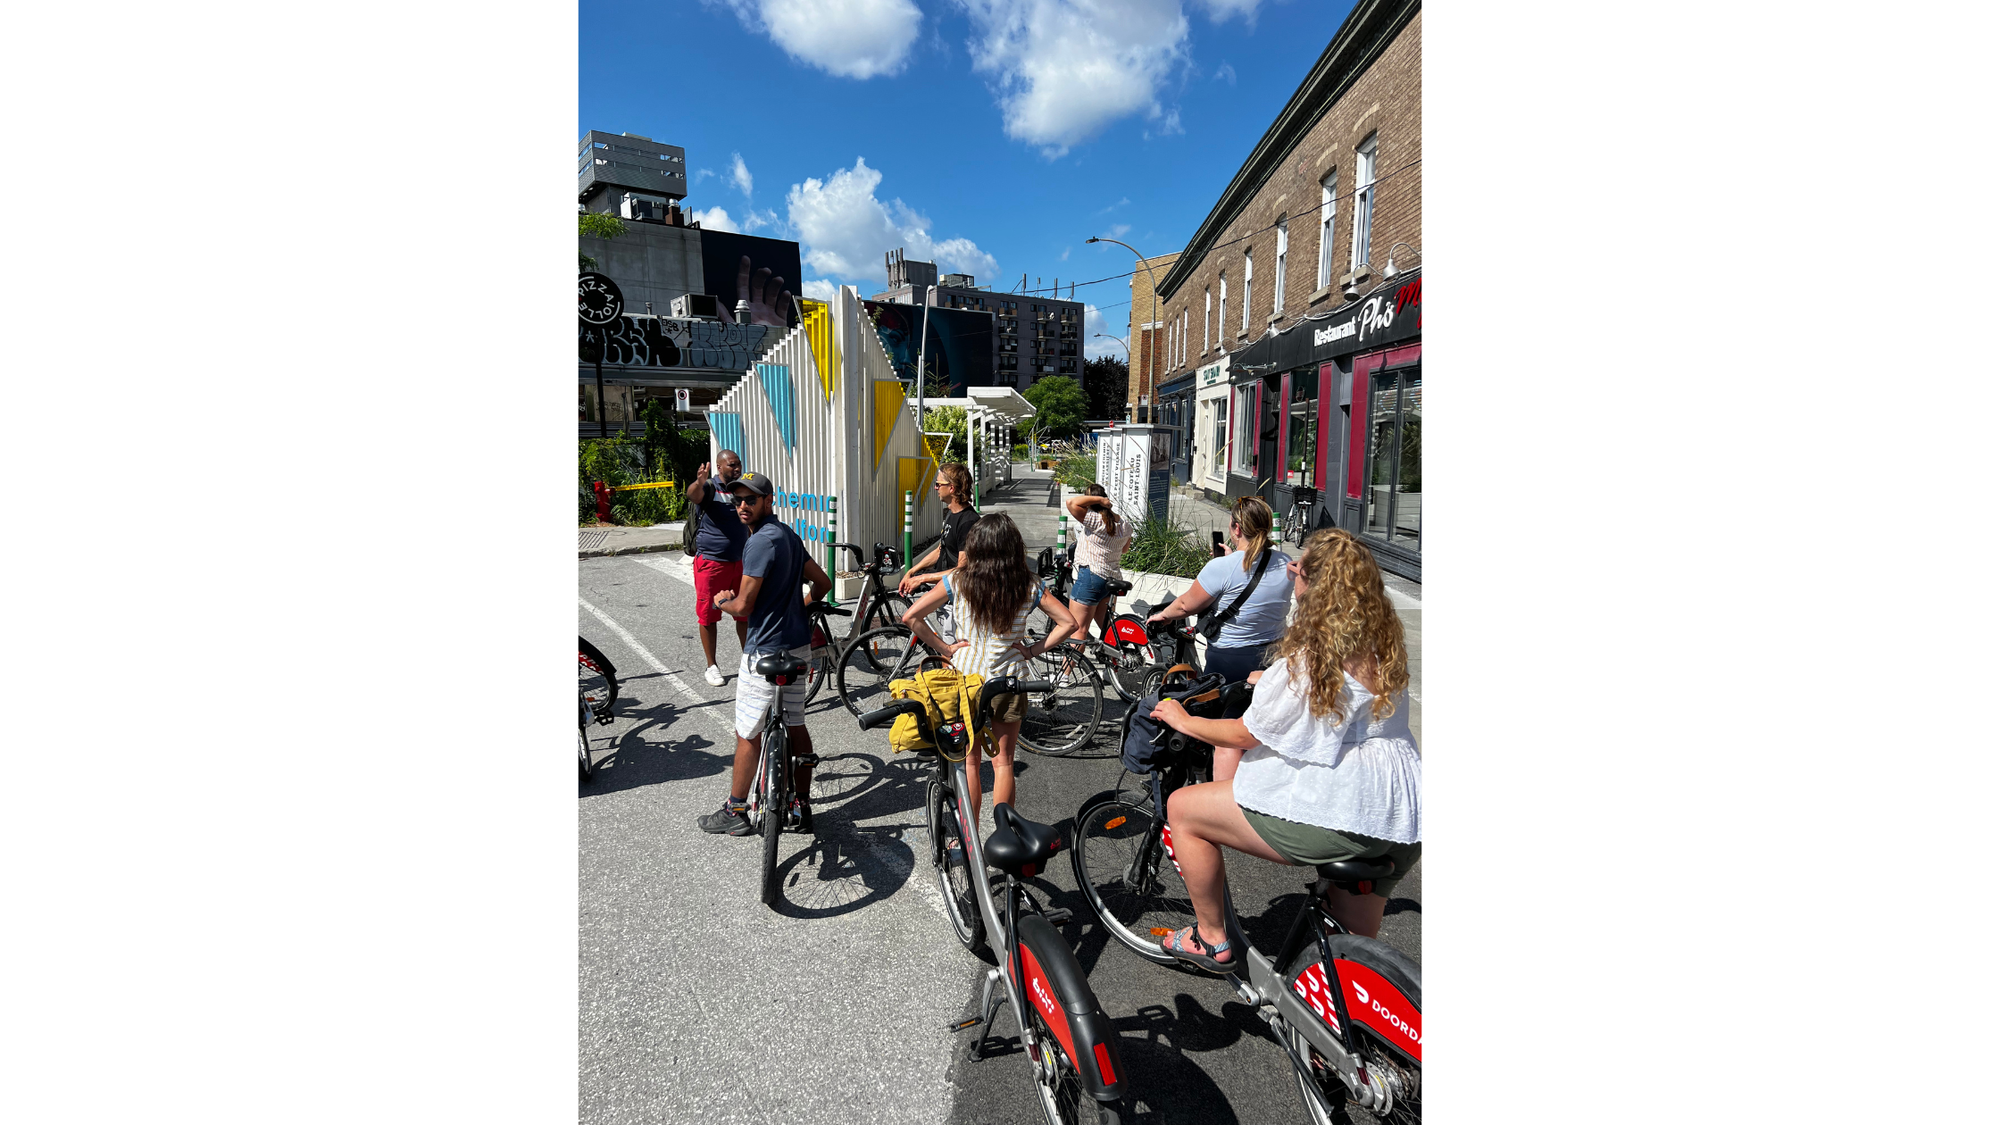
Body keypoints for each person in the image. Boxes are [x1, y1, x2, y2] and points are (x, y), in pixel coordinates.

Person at [1148, 528, 1420, 973]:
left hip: (1345, 812)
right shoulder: (1381, 645)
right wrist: (1268, 682)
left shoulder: (1312, 657)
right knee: (1354, 960)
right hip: (1399, 815)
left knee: (1183, 808)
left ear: (1315, 586)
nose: (1291, 571)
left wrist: (1182, 719)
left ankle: (1210, 938)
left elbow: (1244, 734)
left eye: (1300, 568)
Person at [902, 513, 1076, 831]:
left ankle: (969, 839)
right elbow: (1069, 623)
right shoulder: (1028, 584)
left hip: (966, 680)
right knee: (1003, 762)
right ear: (1013, 546)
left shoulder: (958, 580)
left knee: (970, 762)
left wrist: (945, 648)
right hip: (1009, 679)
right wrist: (1033, 650)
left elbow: (911, 617)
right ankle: (1004, 835)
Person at [696, 472, 834, 837]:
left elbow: (744, 606)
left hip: (765, 650)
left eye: (751, 500)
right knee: (795, 722)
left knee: (748, 731)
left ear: (768, 501)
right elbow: (823, 583)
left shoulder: (758, 543)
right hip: (798, 645)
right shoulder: (788, 534)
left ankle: (735, 809)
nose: (743, 506)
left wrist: (722, 602)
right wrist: (801, 607)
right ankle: (801, 805)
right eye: (737, 499)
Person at [1146, 497, 1295, 759]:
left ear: (1236, 528)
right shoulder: (1285, 562)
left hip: (1229, 659)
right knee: (1261, 727)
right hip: (1273, 657)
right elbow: (1255, 579)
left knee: (1224, 733)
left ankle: (1222, 782)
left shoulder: (1221, 567)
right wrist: (1233, 560)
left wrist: (1164, 616)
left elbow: (1185, 605)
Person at [685, 449, 750, 687]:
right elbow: (693, 495)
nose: (737, 468)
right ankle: (711, 666)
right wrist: (698, 482)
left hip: (740, 562)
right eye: (732, 465)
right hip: (712, 563)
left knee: (744, 612)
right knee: (708, 615)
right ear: (720, 467)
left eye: (738, 464)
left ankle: (749, 660)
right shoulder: (710, 487)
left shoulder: (741, 488)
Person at [897, 461, 979, 641]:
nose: (935, 488)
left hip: (959, 599)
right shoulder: (951, 513)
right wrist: (912, 571)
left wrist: (922, 578)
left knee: (951, 650)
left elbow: (962, 569)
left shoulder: (968, 522)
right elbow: (941, 549)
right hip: (946, 594)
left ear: (952, 488)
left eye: (938, 484)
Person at [1064, 483, 1132, 641]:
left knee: (1078, 630)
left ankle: (1070, 659)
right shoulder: (1125, 524)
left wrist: (1100, 500)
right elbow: (1124, 550)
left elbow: (1071, 502)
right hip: (1111, 578)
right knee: (1108, 629)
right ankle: (1121, 653)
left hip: (1092, 576)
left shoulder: (1095, 520)